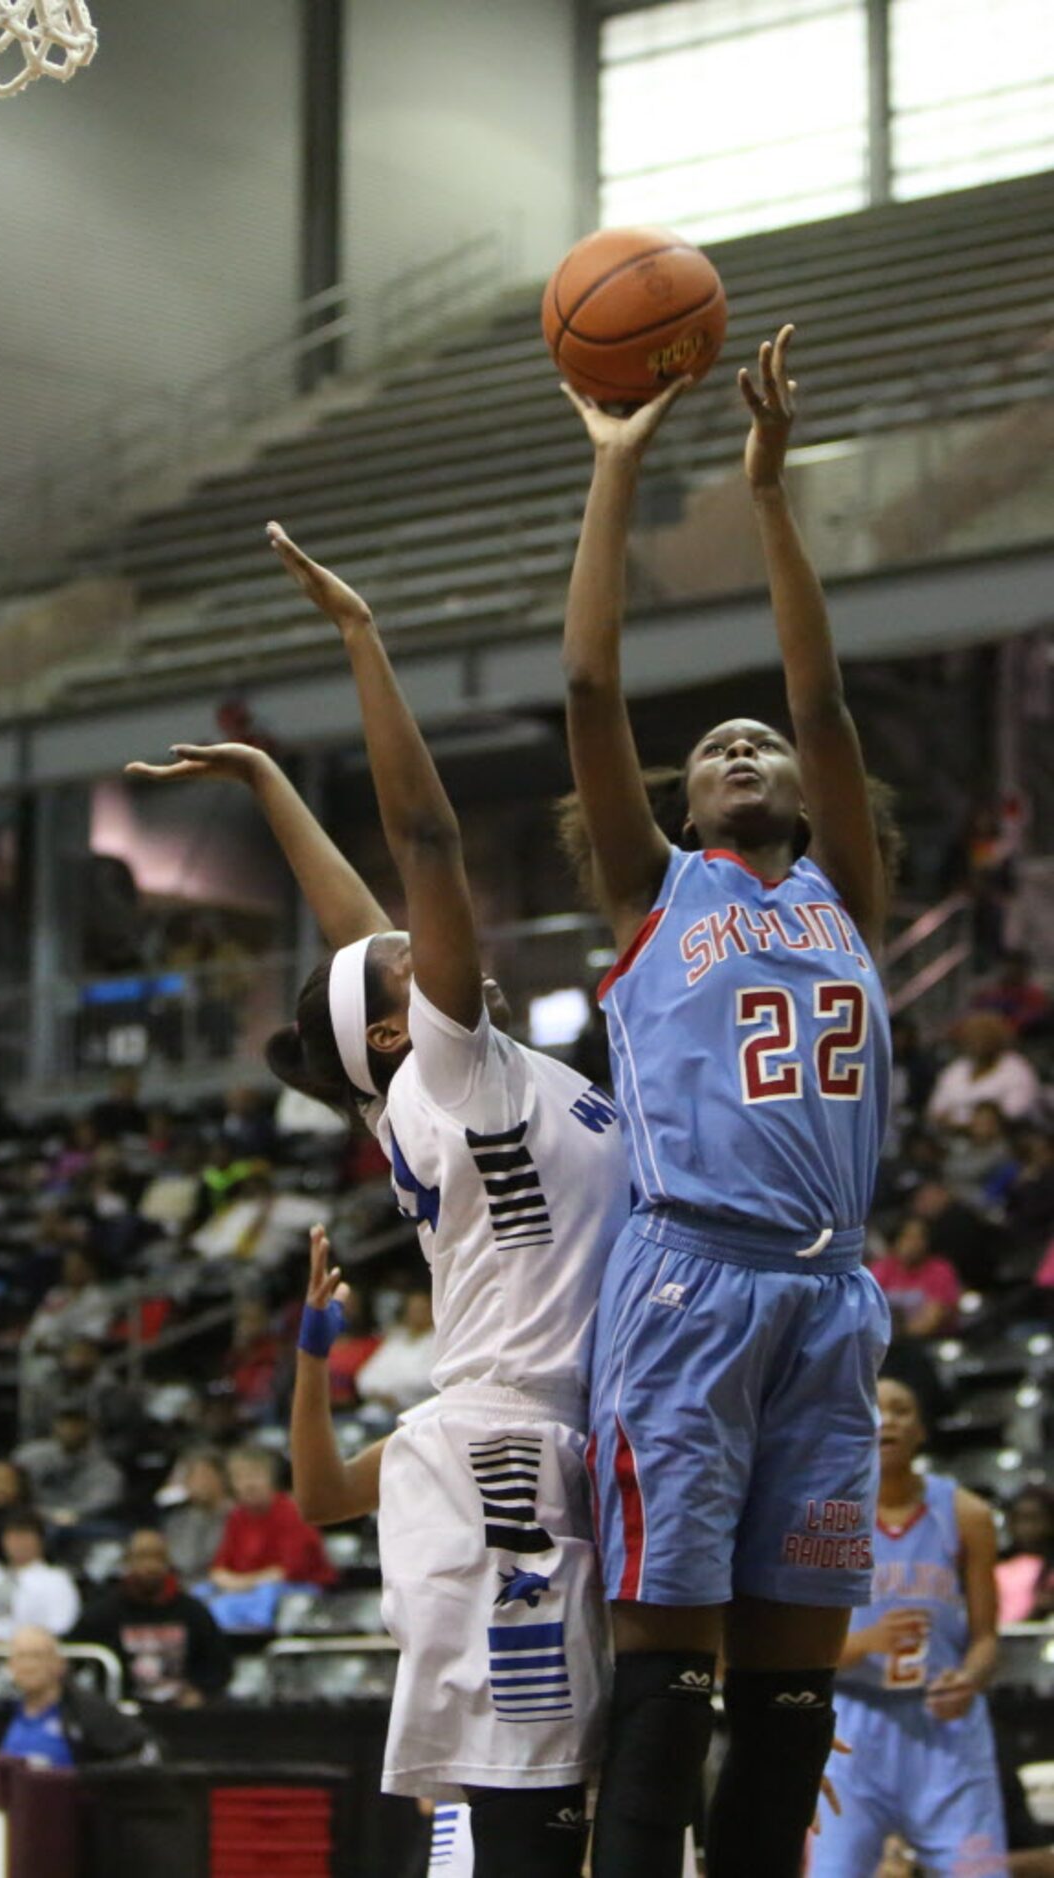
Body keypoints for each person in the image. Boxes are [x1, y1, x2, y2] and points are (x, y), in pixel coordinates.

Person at [127, 512, 632, 1877]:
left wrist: (266, 784)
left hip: (529, 1442)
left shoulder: (428, 1077)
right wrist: (360, 637)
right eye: (415, 969)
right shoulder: (456, 1073)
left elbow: (358, 935)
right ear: (401, 1034)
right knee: (533, 1820)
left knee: (581, 1810)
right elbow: (422, 836)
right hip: (505, 1462)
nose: (430, 949)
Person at [559, 326, 894, 1877]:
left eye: (758, 740)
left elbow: (822, 698)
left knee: (787, 1706)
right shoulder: (655, 889)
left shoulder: (842, 892)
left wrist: (769, 497)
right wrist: (617, 471)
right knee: (666, 1691)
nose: (747, 745)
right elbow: (586, 679)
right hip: (690, 1280)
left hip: (829, 1295)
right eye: (714, 748)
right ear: (683, 806)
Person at [811, 1377, 1006, 1875]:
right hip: (851, 1724)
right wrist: (866, 1644)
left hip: (944, 1723)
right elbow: (794, 1651)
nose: (888, 1419)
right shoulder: (825, 1516)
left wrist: (970, 1678)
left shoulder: (967, 1514)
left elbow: (986, 1639)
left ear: (920, 1431)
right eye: (876, 1408)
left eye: (902, 1411)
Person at [71, 1529, 232, 1706]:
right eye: (141, 1557)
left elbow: (218, 1666)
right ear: (127, 1562)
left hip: (184, 1715)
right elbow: (73, 1656)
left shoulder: (193, 1611)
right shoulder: (104, 1612)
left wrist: (200, 1692)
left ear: (168, 1562)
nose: (150, 1566)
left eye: (157, 1558)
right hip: (123, 1714)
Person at [0, 1625, 154, 1766]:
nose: (29, 1666)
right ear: (10, 1667)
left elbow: (141, 1750)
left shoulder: (87, 1711)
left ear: (59, 1664)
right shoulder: (0, 1716)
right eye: (21, 1657)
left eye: (37, 1656)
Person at [205, 1445, 336, 1630]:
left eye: (255, 1476)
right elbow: (218, 1571)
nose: (248, 1484)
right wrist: (241, 1583)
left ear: (271, 1479)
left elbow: (285, 1573)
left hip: (295, 1590)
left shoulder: (292, 1512)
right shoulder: (236, 1517)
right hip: (245, 1589)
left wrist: (240, 1583)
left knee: (263, 1596)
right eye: (240, 1478)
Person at [0, 1509, 80, 1641]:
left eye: (24, 1535)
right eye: (12, 1536)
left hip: (28, 1651)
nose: (17, 1542)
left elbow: (61, 1626)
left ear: (40, 1540)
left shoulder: (55, 1579)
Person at [14, 1402, 126, 1527]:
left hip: (83, 1526)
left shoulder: (107, 1469)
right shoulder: (29, 1456)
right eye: (64, 1422)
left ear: (91, 1426)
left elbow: (103, 1504)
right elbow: (9, 1488)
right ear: (54, 1425)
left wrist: (63, 1516)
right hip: (32, 1522)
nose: (70, 1428)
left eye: (77, 1423)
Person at [927, 1014, 1039, 1132]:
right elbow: (936, 1110)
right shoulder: (956, 1068)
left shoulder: (1016, 1069)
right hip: (952, 1138)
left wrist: (965, 1125)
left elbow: (1013, 1114)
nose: (977, 1041)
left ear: (998, 1038)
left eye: (983, 1036)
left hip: (1007, 1138)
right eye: (972, 1036)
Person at [870, 1218, 963, 1340]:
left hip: (930, 1343)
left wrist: (899, 1336)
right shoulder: (881, 1269)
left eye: (919, 1238)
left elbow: (931, 1319)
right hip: (887, 1344)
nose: (913, 1244)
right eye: (907, 1238)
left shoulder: (940, 1270)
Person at [351, 1288, 437, 1412]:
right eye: (412, 1309)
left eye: (421, 1309)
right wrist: (382, 1394)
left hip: (417, 1411)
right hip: (377, 1410)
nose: (416, 1314)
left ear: (431, 1310)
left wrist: (396, 1396)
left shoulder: (437, 1341)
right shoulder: (396, 1340)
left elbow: (427, 1381)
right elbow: (365, 1378)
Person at [159, 1450, 231, 1585]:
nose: (198, 1483)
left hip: (224, 1586)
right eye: (191, 1477)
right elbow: (183, 1561)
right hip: (184, 1586)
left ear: (222, 1477)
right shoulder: (177, 1520)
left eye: (204, 1475)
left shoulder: (238, 1516)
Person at [995, 1486, 1054, 1625]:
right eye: (1018, 1520)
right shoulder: (998, 1566)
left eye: (1034, 1519)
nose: (1025, 1528)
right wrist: (1038, 1611)